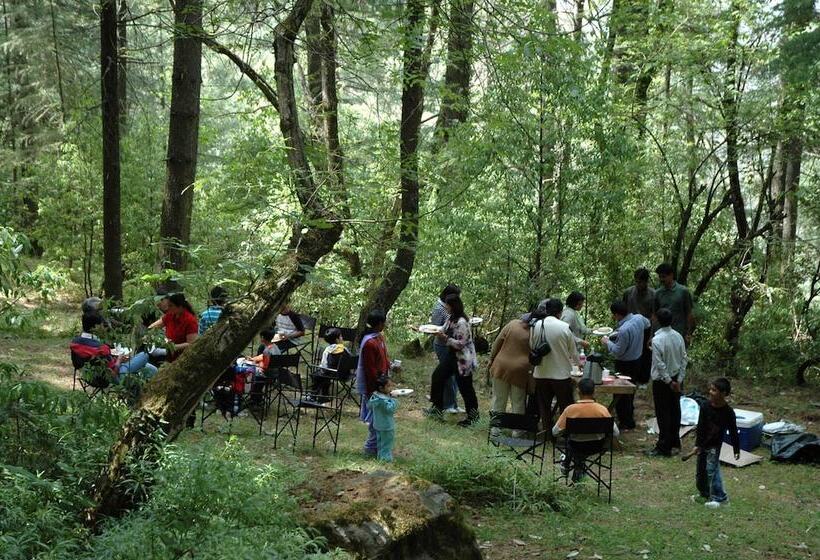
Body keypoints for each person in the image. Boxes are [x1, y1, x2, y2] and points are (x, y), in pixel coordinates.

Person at [552, 378, 619, 481]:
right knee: (580, 447)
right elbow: (616, 432)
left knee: (571, 442)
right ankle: (578, 470)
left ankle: (568, 464)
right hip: (597, 446)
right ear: (594, 392)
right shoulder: (602, 409)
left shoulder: (570, 410)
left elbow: (555, 432)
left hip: (575, 446)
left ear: (578, 391)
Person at [429, 294, 480, 426]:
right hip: (451, 356)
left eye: (447, 304)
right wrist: (432, 330)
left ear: (452, 306)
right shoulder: (451, 318)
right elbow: (443, 329)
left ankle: (473, 417)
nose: (445, 307)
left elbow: (461, 344)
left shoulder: (462, 322)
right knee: (437, 377)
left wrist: (445, 338)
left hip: (463, 359)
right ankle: (437, 409)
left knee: (466, 388)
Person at [531, 298, 579, 434]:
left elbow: (532, 346)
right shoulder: (564, 327)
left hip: (541, 373)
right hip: (561, 375)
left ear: (546, 310)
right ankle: (566, 433)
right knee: (566, 406)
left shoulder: (536, 325)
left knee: (544, 407)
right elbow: (573, 352)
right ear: (560, 312)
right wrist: (579, 364)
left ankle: (547, 433)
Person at [690, 378, 740, 508]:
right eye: (710, 389)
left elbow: (734, 431)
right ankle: (704, 493)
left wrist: (736, 449)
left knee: (712, 470)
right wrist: (697, 444)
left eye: (714, 390)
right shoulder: (705, 406)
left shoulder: (728, 412)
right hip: (702, 444)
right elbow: (700, 427)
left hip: (714, 446)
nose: (710, 392)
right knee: (701, 471)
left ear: (723, 393)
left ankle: (720, 498)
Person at [600, 300, 650, 430]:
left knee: (620, 393)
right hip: (637, 359)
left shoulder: (624, 330)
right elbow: (648, 324)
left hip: (625, 363)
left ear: (617, 314)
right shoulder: (639, 318)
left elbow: (617, 351)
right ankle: (628, 416)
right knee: (630, 390)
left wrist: (607, 342)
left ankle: (625, 421)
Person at [70, 313, 158, 383]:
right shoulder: (101, 348)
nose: (104, 328)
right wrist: (119, 360)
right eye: (102, 325)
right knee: (144, 355)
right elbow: (113, 373)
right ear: (96, 327)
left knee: (150, 368)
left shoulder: (75, 342)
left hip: (88, 377)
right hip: (110, 378)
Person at [647, 308, 688, 457]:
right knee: (675, 411)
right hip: (676, 378)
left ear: (657, 321)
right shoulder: (678, 336)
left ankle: (664, 446)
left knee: (663, 413)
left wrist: (669, 381)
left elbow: (660, 364)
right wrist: (679, 380)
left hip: (663, 382)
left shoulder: (658, 340)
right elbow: (684, 358)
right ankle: (674, 442)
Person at [356, 310, 391, 457]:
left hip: (381, 382)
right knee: (374, 419)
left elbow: (383, 358)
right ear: (379, 324)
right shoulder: (369, 342)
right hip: (373, 386)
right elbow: (370, 368)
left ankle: (377, 446)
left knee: (380, 417)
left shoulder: (379, 338)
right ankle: (370, 448)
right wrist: (377, 386)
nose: (384, 325)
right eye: (383, 322)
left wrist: (390, 367)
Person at [488, 314, 533, 428]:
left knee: (498, 399)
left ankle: (495, 429)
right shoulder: (535, 332)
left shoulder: (512, 324)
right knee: (518, 401)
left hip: (501, 366)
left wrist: (491, 359)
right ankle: (517, 430)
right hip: (520, 370)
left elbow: (497, 343)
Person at [430, 284, 463, 414]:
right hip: (442, 345)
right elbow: (436, 327)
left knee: (453, 375)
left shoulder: (452, 309)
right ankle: (448, 404)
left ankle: (453, 403)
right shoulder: (439, 308)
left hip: (451, 344)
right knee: (447, 376)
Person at [623, 267, 655, 384]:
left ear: (646, 281)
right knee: (630, 353)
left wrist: (652, 334)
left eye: (640, 282)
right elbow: (624, 311)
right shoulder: (628, 293)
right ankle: (630, 378)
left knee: (646, 354)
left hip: (646, 329)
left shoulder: (653, 295)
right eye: (636, 281)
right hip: (630, 329)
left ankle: (643, 380)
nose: (638, 284)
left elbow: (654, 315)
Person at [148, 293, 198, 362]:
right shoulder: (171, 315)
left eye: (171, 306)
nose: (169, 308)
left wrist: (172, 347)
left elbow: (191, 343)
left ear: (180, 306)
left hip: (183, 358)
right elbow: (155, 326)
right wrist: (147, 334)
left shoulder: (190, 320)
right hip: (170, 356)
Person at [654, 263, 694, 346]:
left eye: (664, 276)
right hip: (662, 336)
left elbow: (689, 314)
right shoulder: (658, 293)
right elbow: (654, 316)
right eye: (660, 277)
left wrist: (689, 333)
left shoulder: (683, 291)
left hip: (679, 334)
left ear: (671, 275)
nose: (661, 279)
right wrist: (652, 335)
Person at [311, 328, 354, 401]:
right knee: (324, 375)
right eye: (341, 336)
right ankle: (324, 395)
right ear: (337, 340)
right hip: (345, 374)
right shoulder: (345, 349)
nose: (342, 338)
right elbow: (351, 361)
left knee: (318, 375)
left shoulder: (328, 350)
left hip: (332, 373)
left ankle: (314, 395)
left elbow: (324, 365)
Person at [367, 374, 398, 462]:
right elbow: (390, 410)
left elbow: (369, 406)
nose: (391, 388)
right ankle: (385, 459)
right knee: (387, 443)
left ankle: (380, 456)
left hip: (377, 424)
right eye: (388, 386)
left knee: (380, 442)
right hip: (387, 426)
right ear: (381, 388)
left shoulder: (375, 396)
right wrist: (394, 400)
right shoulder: (384, 400)